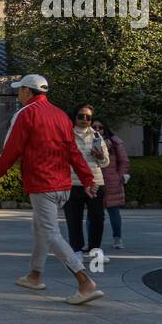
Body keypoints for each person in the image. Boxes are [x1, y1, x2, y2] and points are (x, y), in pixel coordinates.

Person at [0, 74, 104, 305]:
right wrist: (87, 178)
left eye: (20, 89)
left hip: (42, 183)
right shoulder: (61, 115)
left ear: (28, 92)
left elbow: (11, 148)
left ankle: (84, 282)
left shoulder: (25, 114)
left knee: (50, 233)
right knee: (40, 227)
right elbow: (73, 151)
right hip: (63, 184)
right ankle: (35, 275)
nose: (18, 93)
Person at [64, 104, 109, 259]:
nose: (84, 119)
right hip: (72, 183)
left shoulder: (97, 136)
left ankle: (95, 249)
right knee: (73, 218)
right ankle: (76, 250)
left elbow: (105, 163)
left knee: (97, 218)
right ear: (75, 117)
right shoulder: (66, 134)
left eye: (88, 117)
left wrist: (100, 156)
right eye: (81, 116)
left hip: (95, 183)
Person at [93, 118, 130, 249]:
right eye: (94, 127)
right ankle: (93, 242)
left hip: (112, 181)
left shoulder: (114, 142)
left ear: (105, 129)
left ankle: (117, 238)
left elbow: (124, 161)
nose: (97, 130)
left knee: (113, 211)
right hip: (94, 181)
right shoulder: (86, 141)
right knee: (94, 214)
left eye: (100, 127)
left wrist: (119, 176)